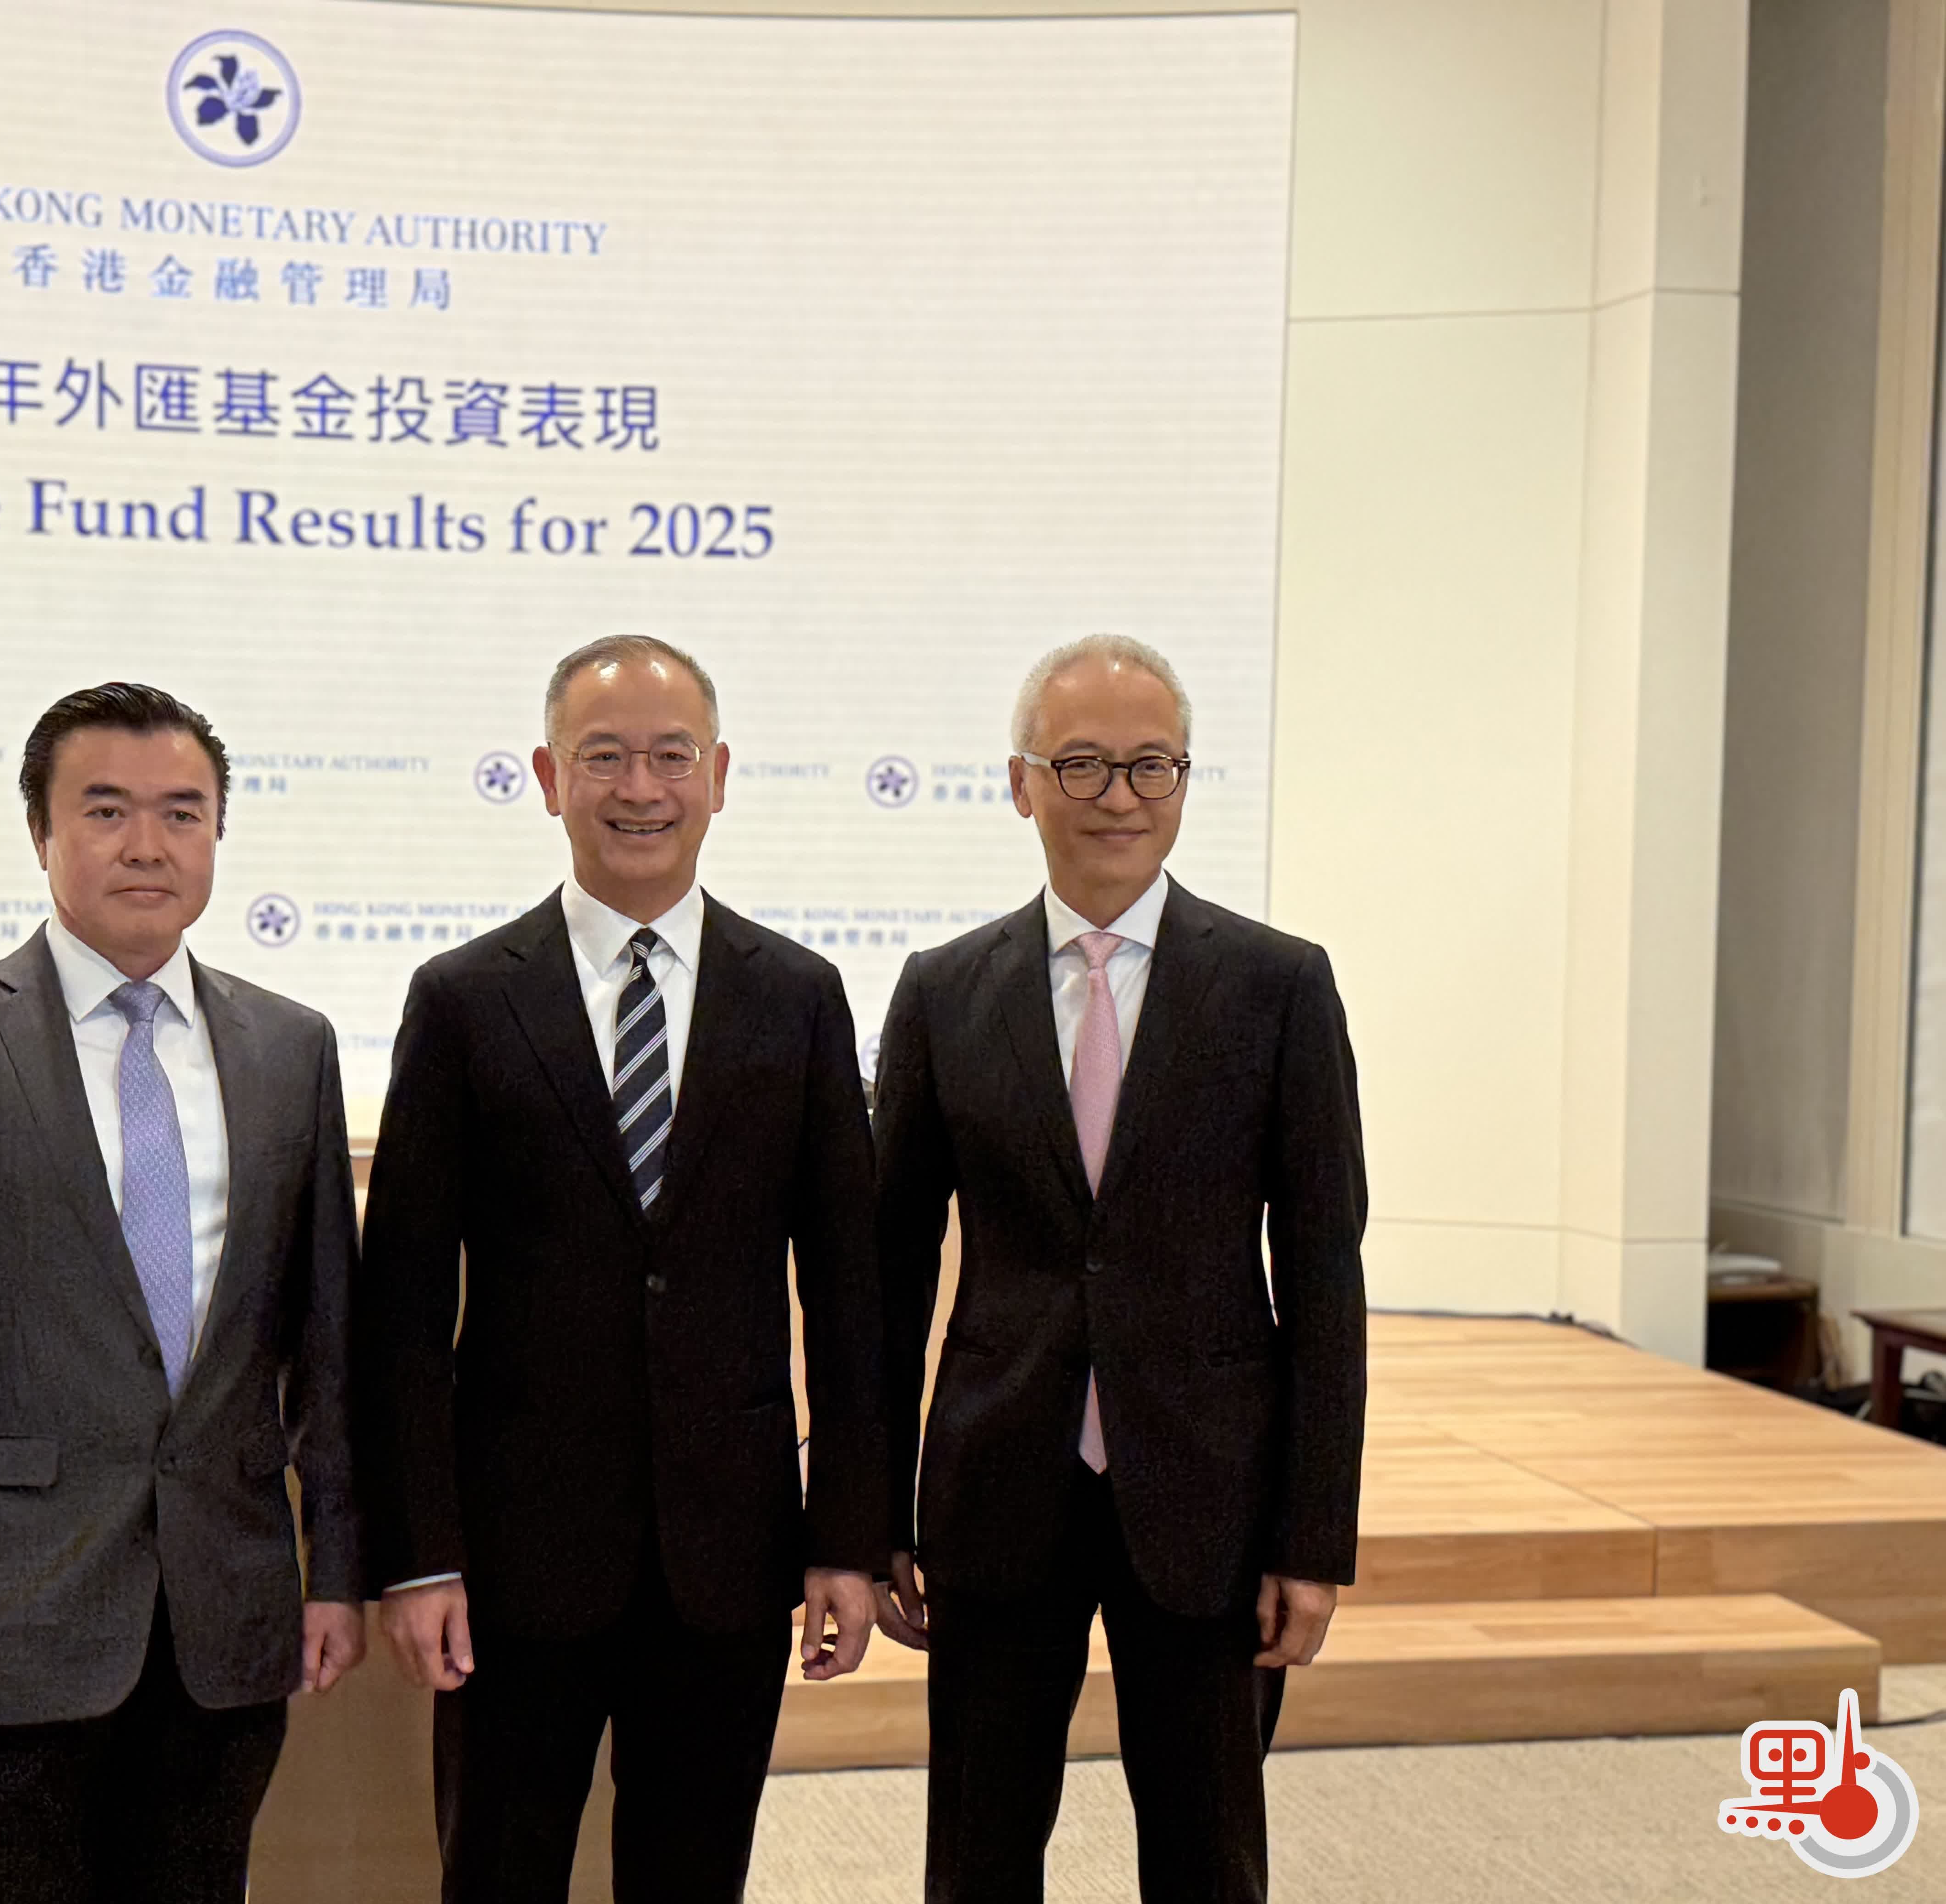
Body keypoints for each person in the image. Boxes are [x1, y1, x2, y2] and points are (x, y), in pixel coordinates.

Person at [0, 682, 366, 1903]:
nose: (146, 845)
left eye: (182, 813)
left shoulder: (292, 1050)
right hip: (5, 1620)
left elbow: (328, 1351)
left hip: (226, 1617)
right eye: (106, 811)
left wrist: (334, 1570)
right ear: (41, 832)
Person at [356, 635, 888, 1904]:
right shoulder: (463, 1000)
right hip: (512, 1557)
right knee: (499, 1872)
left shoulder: (800, 996)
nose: (639, 787)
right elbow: (401, 1313)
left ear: (719, 777)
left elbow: (848, 1296)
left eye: (670, 755)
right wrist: (419, 1555)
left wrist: (848, 1540)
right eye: (604, 756)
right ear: (549, 778)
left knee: (693, 1877)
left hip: (730, 1551)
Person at [871, 635, 1367, 1904]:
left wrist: (1314, 1538)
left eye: (1152, 765)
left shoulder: (1278, 988)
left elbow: (1323, 1277)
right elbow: (888, 1273)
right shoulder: (941, 993)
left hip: (1212, 1497)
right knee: (978, 1855)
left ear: (1185, 780)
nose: (1119, 797)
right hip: (995, 1489)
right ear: (1020, 783)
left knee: (1208, 1857)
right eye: (1082, 764)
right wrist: (870, 1514)